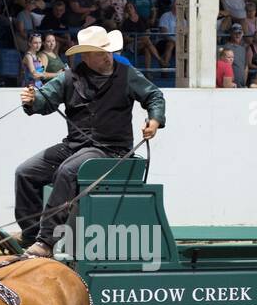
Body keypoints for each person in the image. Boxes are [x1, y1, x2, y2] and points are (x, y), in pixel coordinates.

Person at [15, 26, 165, 256]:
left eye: (107, 50)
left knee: (67, 171)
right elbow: (44, 101)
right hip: (74, 146)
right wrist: (32, 100)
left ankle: (46, 242)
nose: (107, 55)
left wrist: (154, 120)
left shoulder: (127, 74)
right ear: (85, 56)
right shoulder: (68, 77)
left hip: (111, 150)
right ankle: (29, 236)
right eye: (99, 52)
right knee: (25, 173)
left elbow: (154, 95)